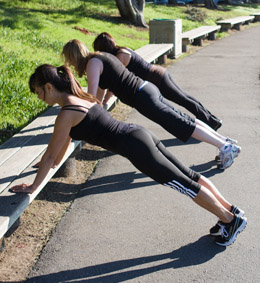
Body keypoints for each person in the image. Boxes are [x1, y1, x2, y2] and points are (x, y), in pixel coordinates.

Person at [10, 64, 247, 246]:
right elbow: (60, 149)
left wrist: (32, 187)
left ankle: (229, 219)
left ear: (49, 87)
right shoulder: (79, 97)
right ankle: (231, 211)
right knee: (190, 176)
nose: (39, 98)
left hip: (136, 148)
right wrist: (45, 165)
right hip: (139, 135)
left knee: (185, 185)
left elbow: (52, 156)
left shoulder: (65, 114)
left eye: (38, 92)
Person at [61, 39, 241, 170]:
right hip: (146, 89)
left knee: (180, 124)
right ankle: (225, 142)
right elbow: (99, 97)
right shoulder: (101, 57)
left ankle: (225, 147)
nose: (70, 64)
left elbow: (92, 96)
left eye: (69, 60)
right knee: (183, 119)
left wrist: (76, 110)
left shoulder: (93, 64)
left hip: (143, 97)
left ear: (73, 57)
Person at [93, 32, 222, 130]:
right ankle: (212, 120)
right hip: (159, 73)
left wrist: (104, 101)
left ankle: (210, 122)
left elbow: (113, 83)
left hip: (156, 79)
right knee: (185, 98)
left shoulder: (120, 57)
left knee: (183, 100)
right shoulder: (123, 50)